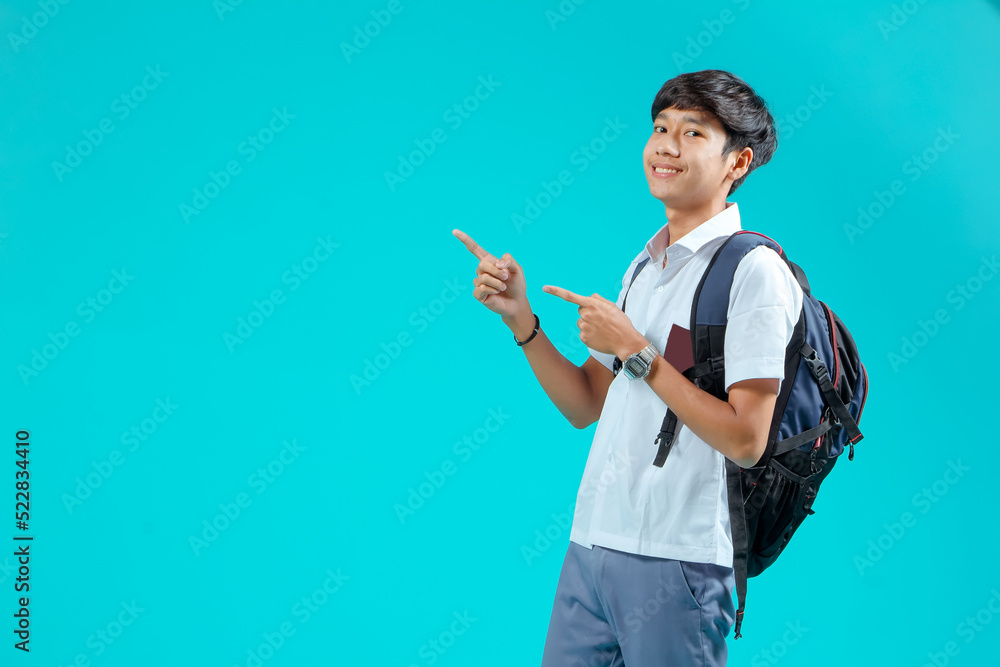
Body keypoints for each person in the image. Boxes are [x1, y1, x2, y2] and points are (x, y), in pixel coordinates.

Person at [453, 69, 803, 666]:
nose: (667, 146)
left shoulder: (754, 271)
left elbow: (747, 440)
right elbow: (586, 404)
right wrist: (521, 320)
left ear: (738, 162)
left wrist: (638, 353)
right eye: (661, 128)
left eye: (693, 133)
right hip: (593, 543)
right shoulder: (643, 269)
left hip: (679, 557)